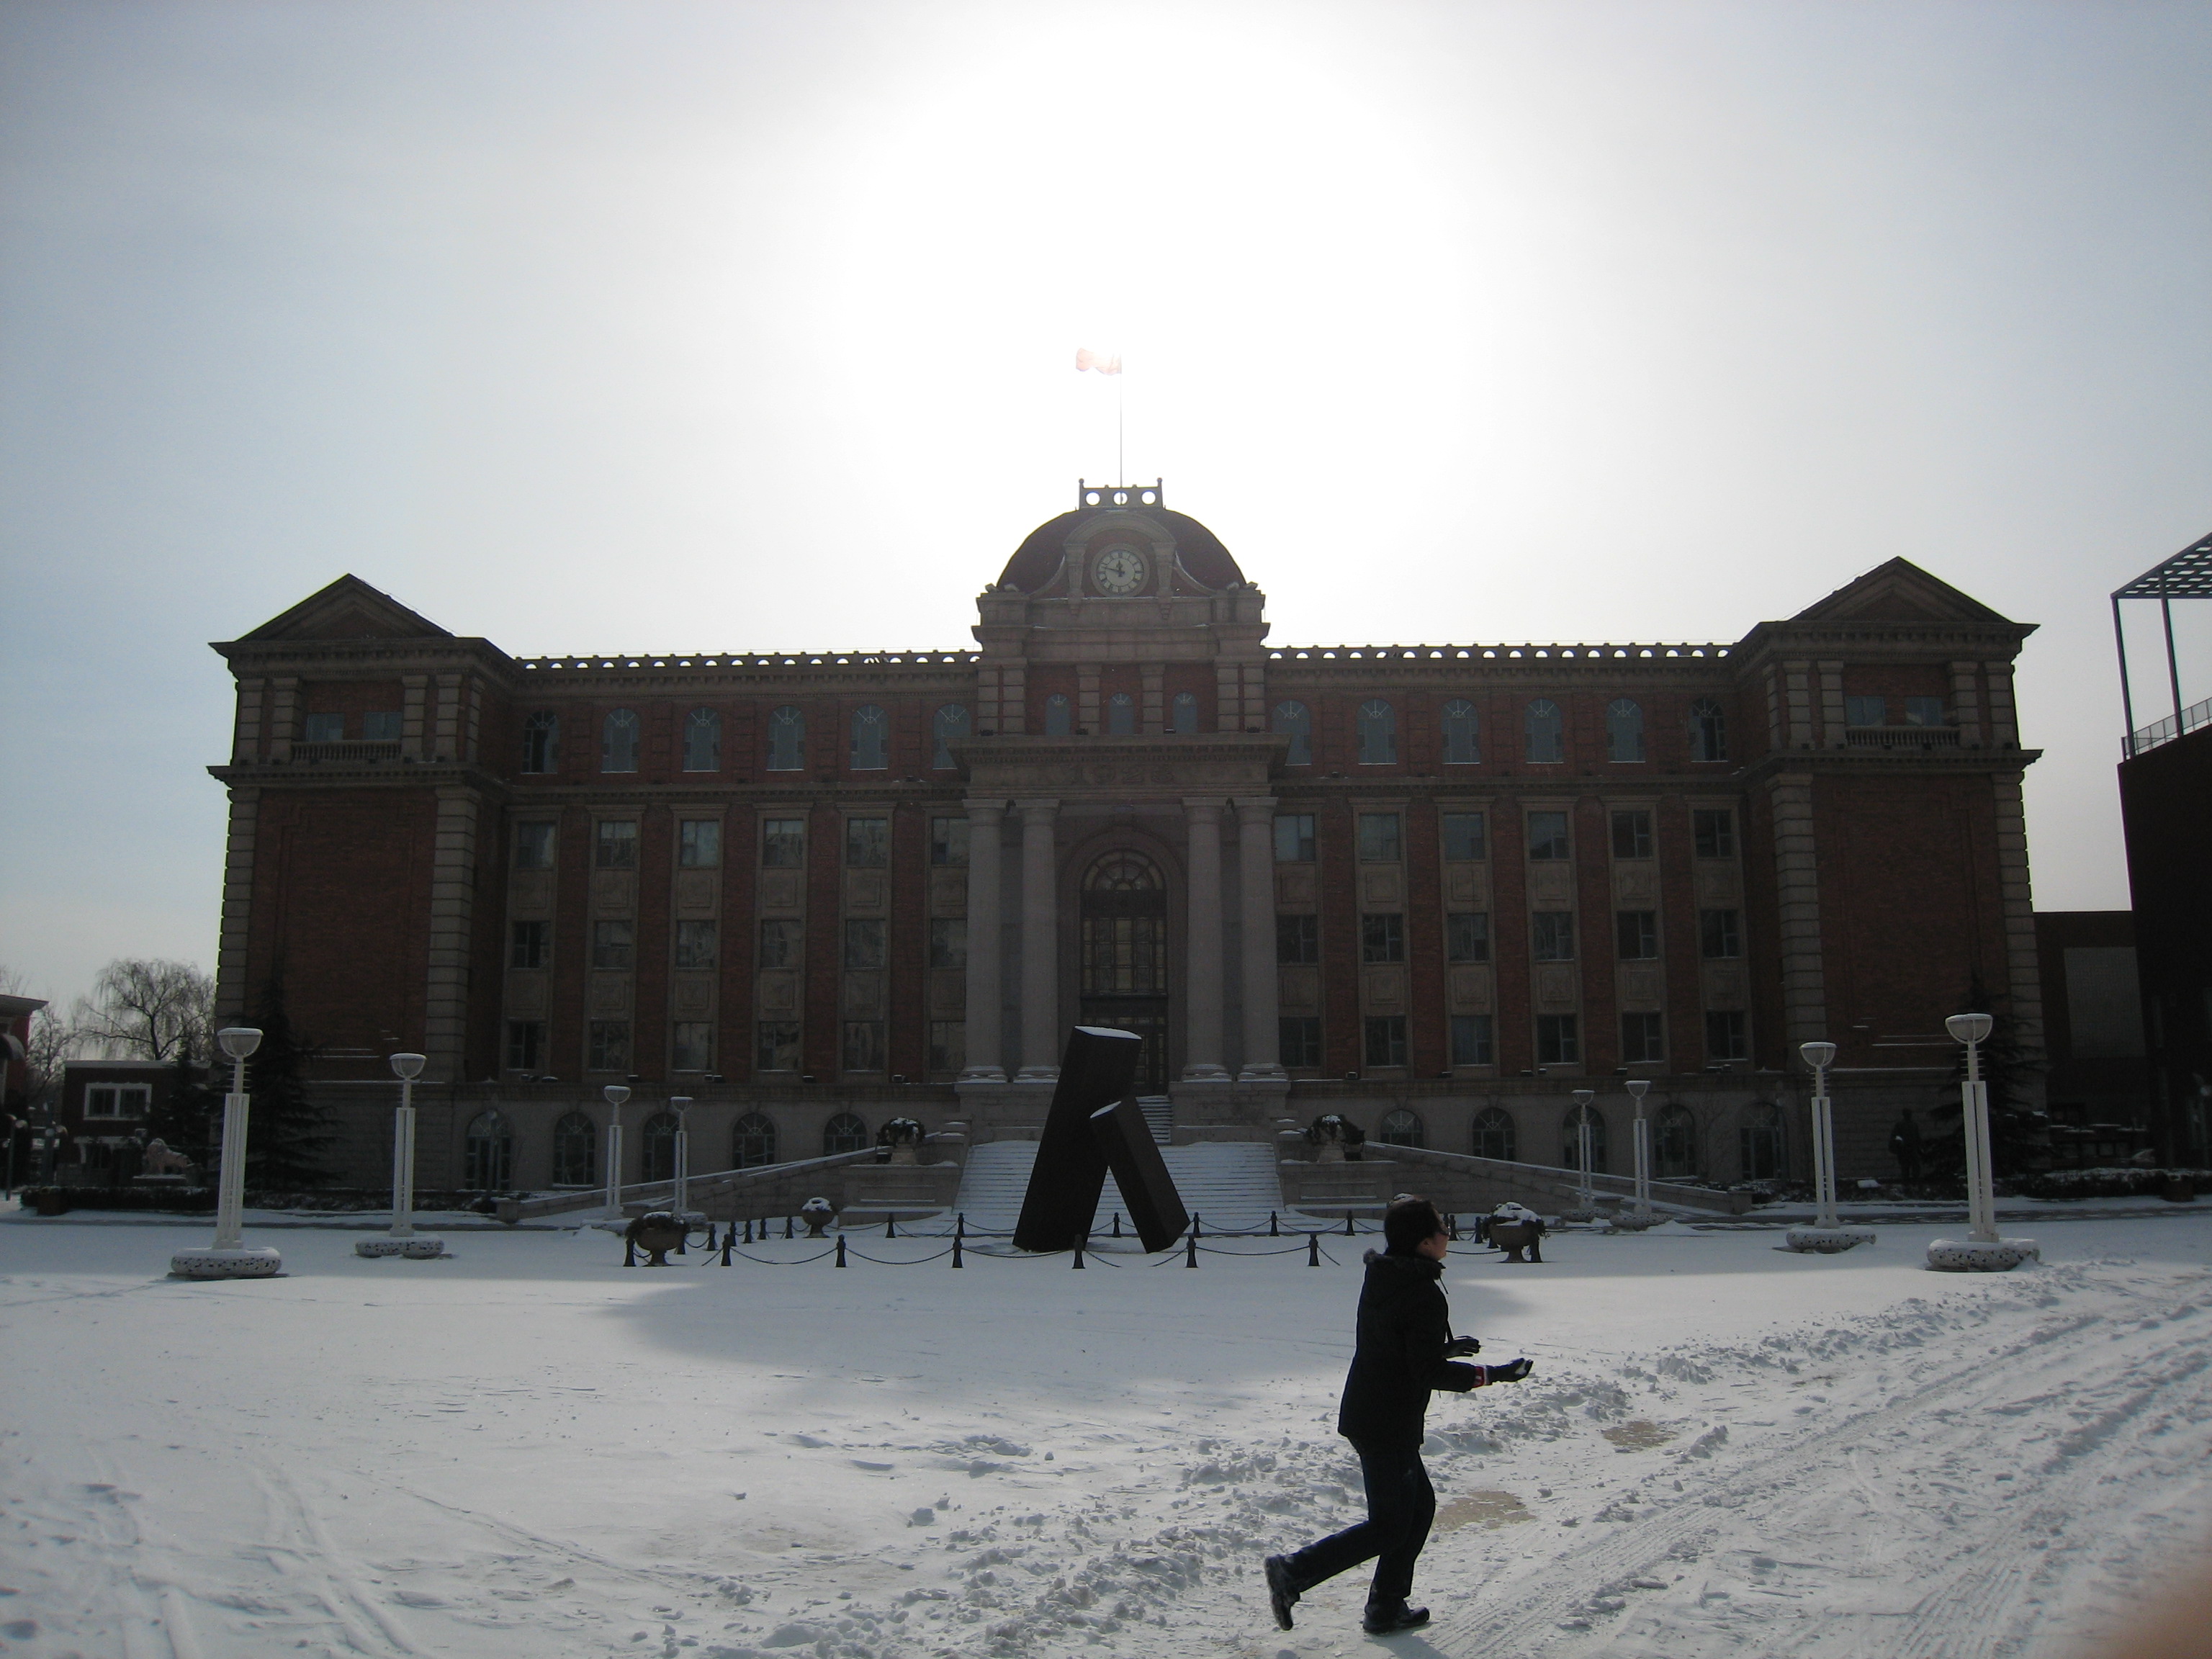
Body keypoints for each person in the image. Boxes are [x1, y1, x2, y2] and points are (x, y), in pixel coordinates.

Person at [1264, 1195, 1533, 1637]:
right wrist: (1494, 1374)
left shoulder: (1385, 1276)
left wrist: (1441, 1347)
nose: (1449, 1234)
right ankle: (1294, 1570)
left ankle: (1386, 1606)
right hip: (1387, 1421)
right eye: (1442, 1229)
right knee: (1390, 1526)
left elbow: (1396, 1342)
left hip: (1371, 1410)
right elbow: (1426, 1373)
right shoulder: (1423, 1294)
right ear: (1426, 1244)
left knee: (1418, 1509)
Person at [1889, 1109, 1923, 1183]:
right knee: (1906, 1168)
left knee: (1914, 1167)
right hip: (1904, 1150)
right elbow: (1895, 1136)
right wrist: (1900, 1144)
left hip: (1912, 1149)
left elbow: (1917, 1137)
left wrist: (1919, 1147)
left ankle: (1914, 1183)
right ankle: (1907, 1185)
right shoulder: (1900, 1125)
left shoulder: (1913, 1124)